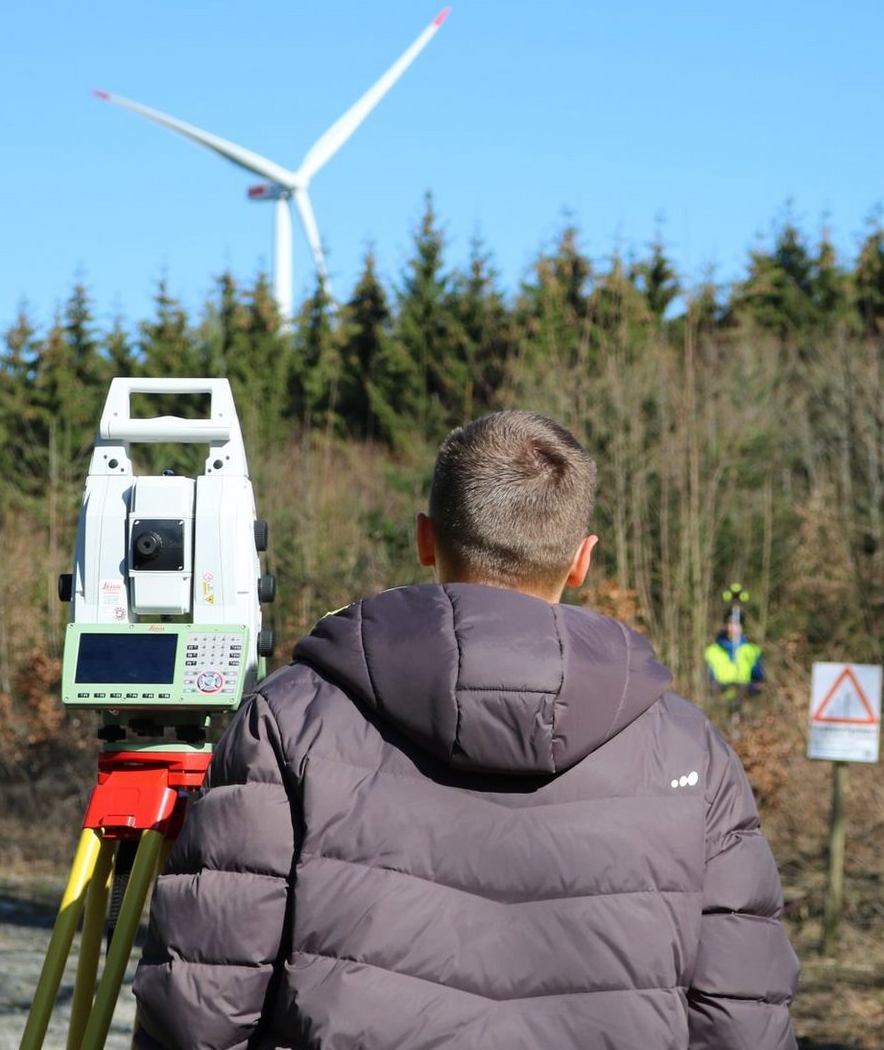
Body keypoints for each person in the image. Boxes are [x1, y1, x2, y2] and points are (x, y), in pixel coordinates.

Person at [133, 410, 798, 1050]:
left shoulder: (291, 718)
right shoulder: (689, 750)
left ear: (426, 538)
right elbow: (742, 1019)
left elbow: (202, 1010)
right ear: (582, 559)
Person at [705, 608, 767, 704]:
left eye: (736, 624)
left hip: (747, 704)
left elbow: (760, 683)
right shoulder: (712, 651)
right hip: (719, 705)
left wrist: (746, 690)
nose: (732, 628)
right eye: (729, 624)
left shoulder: (752, 651)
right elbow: (707, 683)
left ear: (742, 627)